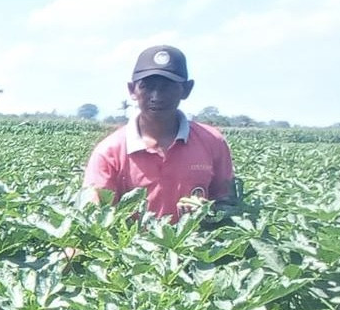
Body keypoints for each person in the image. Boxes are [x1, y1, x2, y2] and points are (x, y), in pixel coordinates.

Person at [83, 44, 236, 220]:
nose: (156, 96)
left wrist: (207, 212)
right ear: (132, 90)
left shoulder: (212, 142)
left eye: (167, 87)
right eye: (147, 87)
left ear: (186, 89)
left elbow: (228, 203)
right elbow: (93, 218)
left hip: (196, 246)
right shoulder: (109, 152)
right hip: (128, 247)